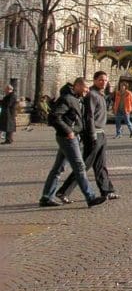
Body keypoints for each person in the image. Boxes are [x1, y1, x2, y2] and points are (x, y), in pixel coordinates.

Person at [39, 77, 106, 208]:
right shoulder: (67, 99)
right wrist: (69, 131)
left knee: (58, 168)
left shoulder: (77, 99)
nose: (87, 90)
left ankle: (46, 197)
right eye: (85, 87)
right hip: (68, 138)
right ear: (77, 86)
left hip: (72, 136)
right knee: (80, 167)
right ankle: (90, 197)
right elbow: (54, 117)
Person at [56, 71, 118, 202]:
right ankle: (63, 191)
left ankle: (107, 190)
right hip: (94, 133)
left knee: (101, 165)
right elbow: (89, 116)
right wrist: (92, 135)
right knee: (85, 165)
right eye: (101, 80)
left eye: (105, 80)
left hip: (101, 133)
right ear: (94, 80)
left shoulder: (101, 95)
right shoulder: (91, 95)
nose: (103, 82)